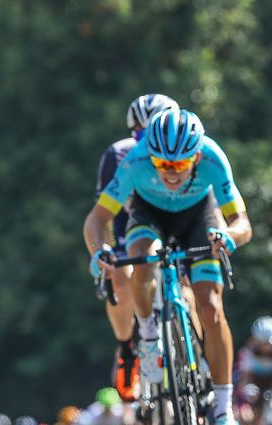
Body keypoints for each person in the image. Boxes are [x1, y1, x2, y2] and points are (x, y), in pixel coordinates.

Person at [84, 109, 253, 425]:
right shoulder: (136, 161)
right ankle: (148, 337)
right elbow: (97, 219)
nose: (171, 173)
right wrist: (98, 251)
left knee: (212, 309)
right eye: (162, 164)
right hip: (150, 216)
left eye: (180, 164)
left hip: (198, 218)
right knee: (143, 259)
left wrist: (229, 236)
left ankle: (222, 406)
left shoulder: (214, 160)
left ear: (197, 156)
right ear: (151, 156)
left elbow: (241, 223)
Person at [95, 94, 179, 402]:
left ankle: (198, 364)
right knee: (121, 277)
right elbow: (102, 214)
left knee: (194, 294)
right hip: (130, 230)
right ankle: (128, 347)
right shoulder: (119, 155)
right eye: (140, 134)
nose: (147, 141)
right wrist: (105, 251)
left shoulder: (187, 150)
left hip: (175, 227)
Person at [234, 316, 272, 425]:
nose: (265, 348)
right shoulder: (247, 353)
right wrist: (243, 401)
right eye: (261, 343)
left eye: (268, 344)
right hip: (254, 384)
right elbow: (244, 379)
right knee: (247, 414)